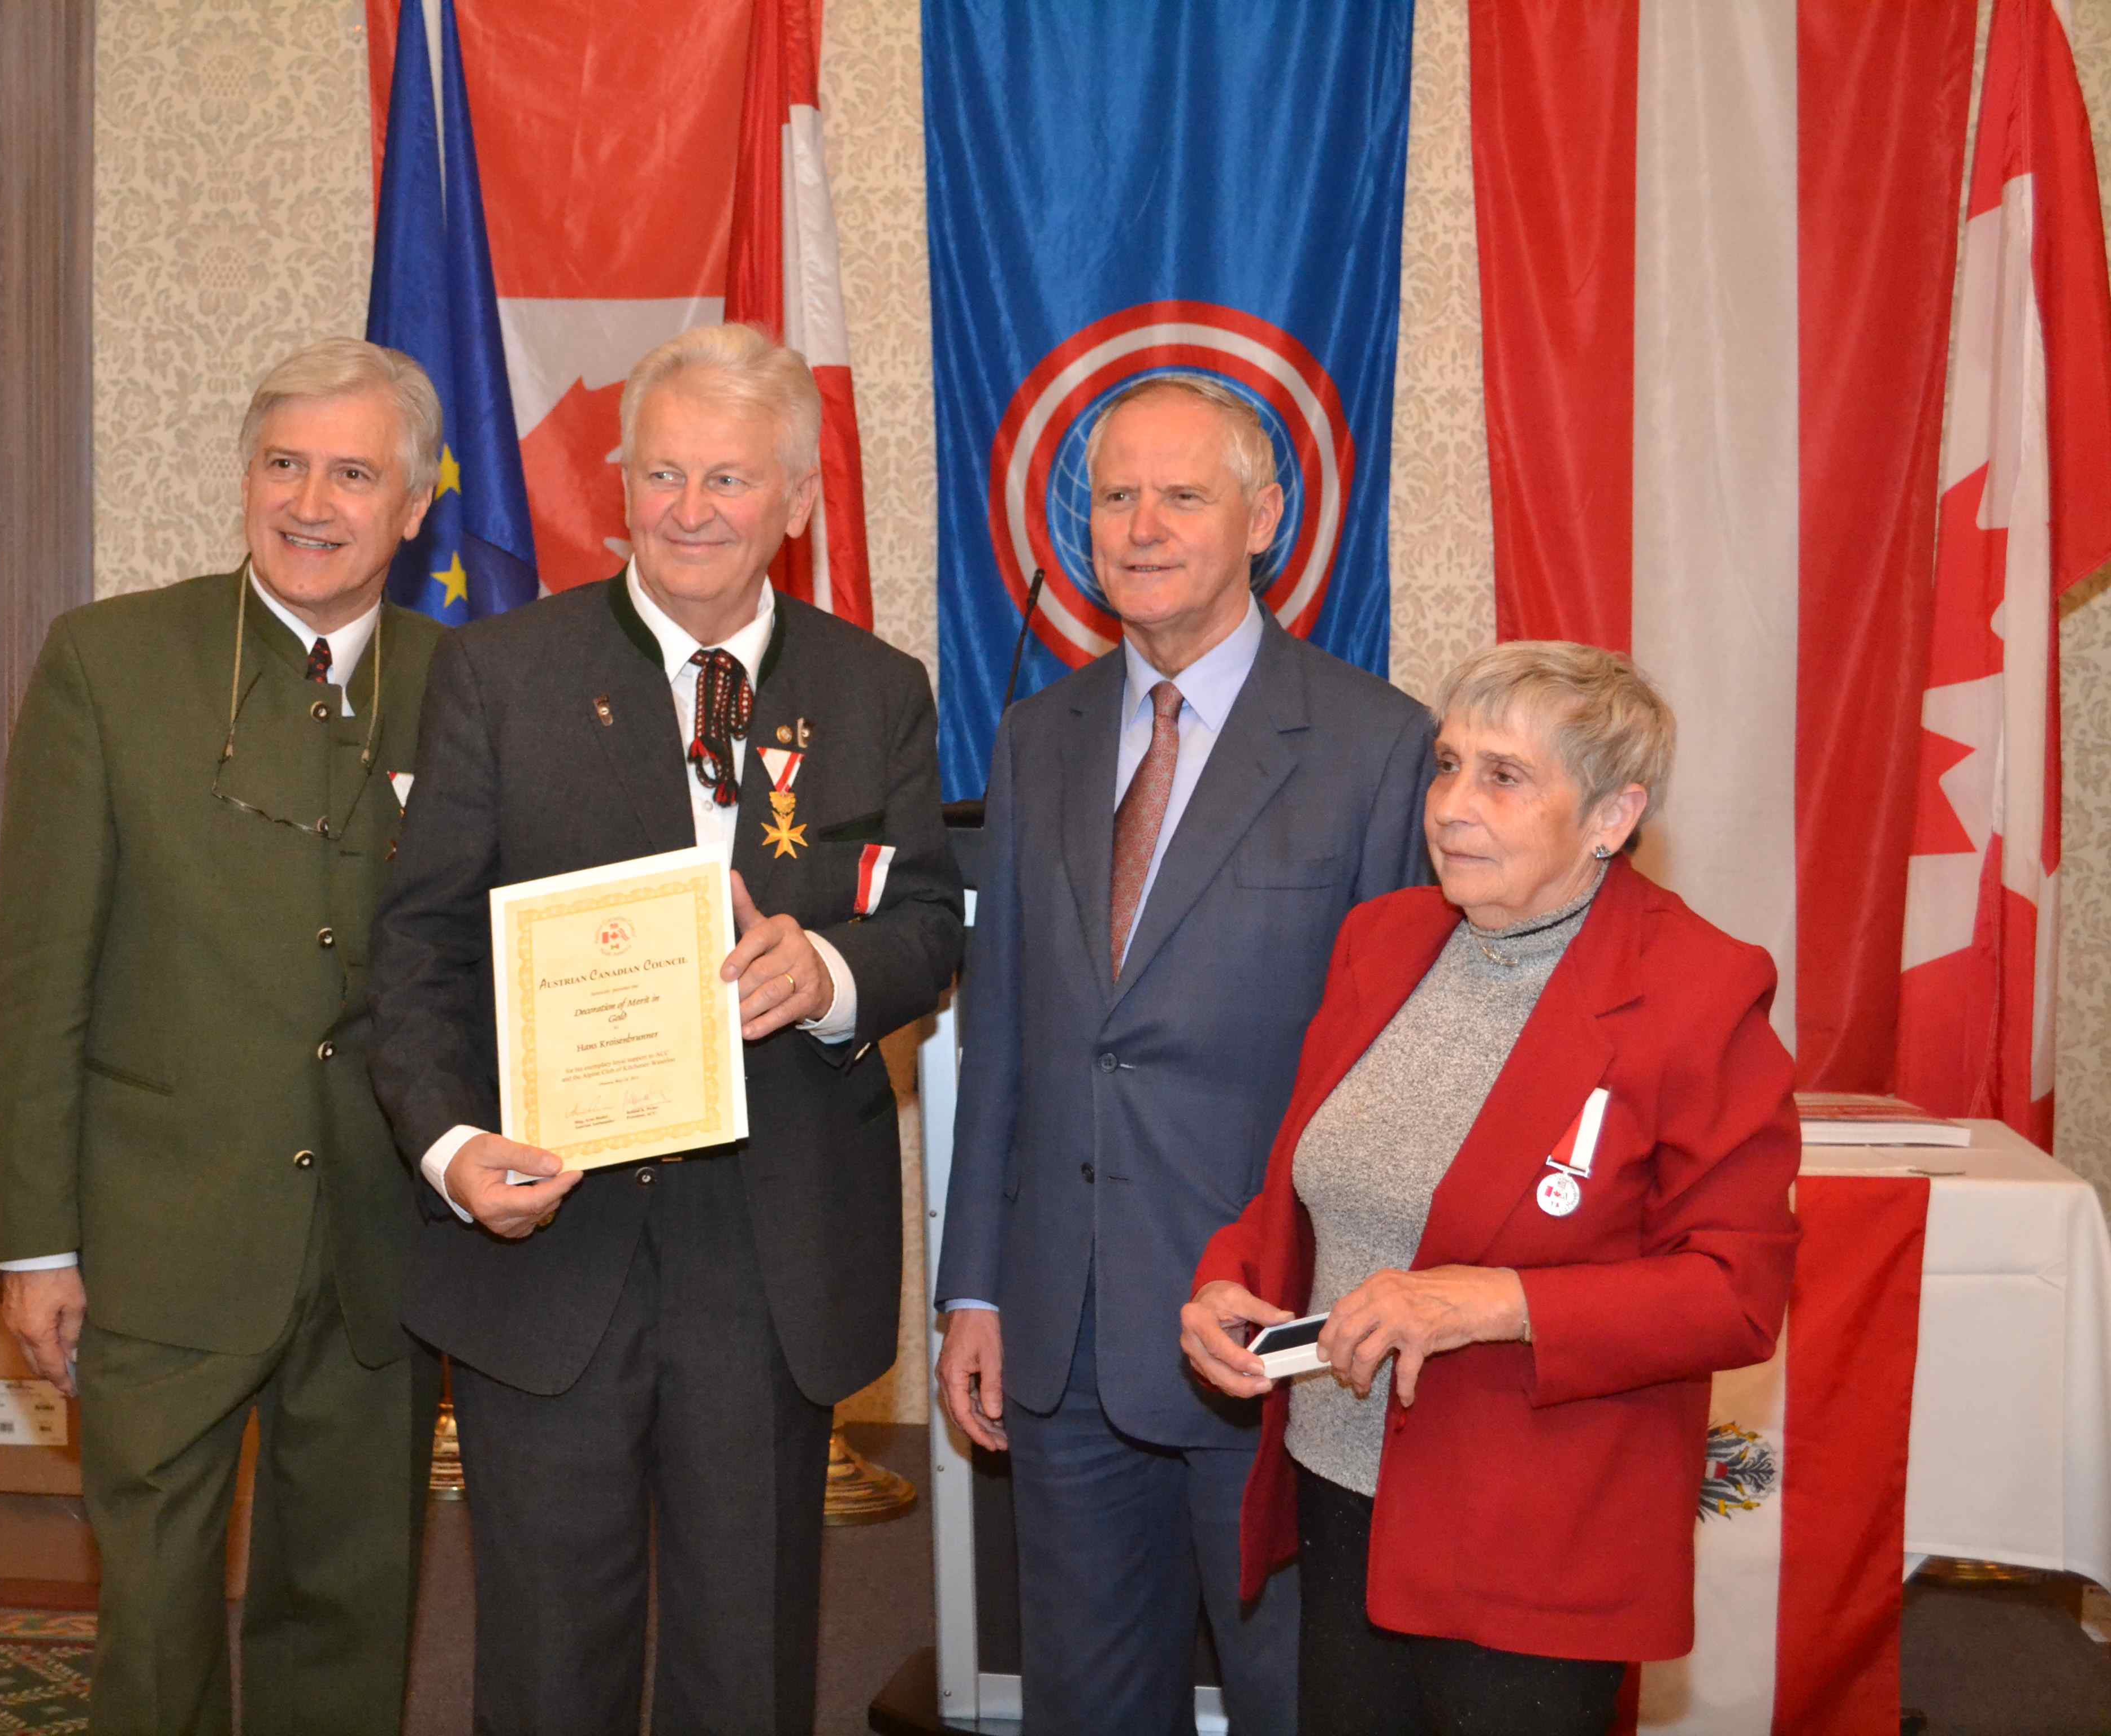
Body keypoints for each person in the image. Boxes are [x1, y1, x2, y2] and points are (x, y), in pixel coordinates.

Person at [369, 323, 964, 1735]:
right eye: (662, 474)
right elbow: (422, 949)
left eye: (731, 480)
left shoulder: (874, 690)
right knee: (543, 1655)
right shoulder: (500, 675)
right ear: (619, 485)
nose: (691, 509)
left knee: (745, 1659)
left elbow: (927, 925)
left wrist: (826, 973)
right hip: (549, 1237)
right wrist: (451, 1149)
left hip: (770, 1255)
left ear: (798, 506)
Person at [934, 372, 1437, 1733]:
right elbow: (1010, 1044)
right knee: (1088, 1708)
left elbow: (1392, 1075)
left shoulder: (1380, 749)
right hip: (1066, 1336)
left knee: (1297, 1702)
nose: (1140, 526)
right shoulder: (1039, 735)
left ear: (1264, 515)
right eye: (1112, 496)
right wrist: (973, 1282)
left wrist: (1345, 1311)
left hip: (1271, 1342)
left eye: (1182, 494)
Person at [1180, 641, 1802, 1736]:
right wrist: (1231, 1274)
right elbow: (1310, 1177)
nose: (1452, 807)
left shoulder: (1699, 992)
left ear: (1613, 816)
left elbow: (1738, 1290)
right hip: (1342, 1496)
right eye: (1448, 765)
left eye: (1503, 778)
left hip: (1535, 1542)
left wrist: (1490, 1301)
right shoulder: (1386, 940)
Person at [0, 338, 449, 1735]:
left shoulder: (469, 683)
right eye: (284, 464)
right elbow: (36, 973)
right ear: (247, 479)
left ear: (414, 508)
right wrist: (35, 1244)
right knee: (157, 1618)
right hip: (158, 1243)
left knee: (349, 1613)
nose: (311, 501)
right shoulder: (110, 662)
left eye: (354, 474)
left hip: (381, 1251)